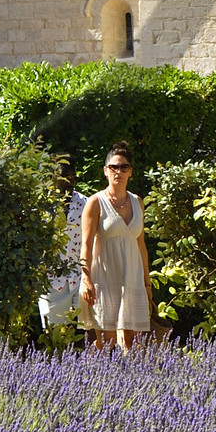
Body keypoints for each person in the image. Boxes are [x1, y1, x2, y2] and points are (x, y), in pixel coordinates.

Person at [78, 141, 154, 349]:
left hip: (132, 279)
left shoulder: (137, 202)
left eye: (123, 167)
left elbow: (141, 244)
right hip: (104, 280)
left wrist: (147, 284)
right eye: (113, 167)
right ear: (105, 171)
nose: (118, 172)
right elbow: (85, 244)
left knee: (134, 343)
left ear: (130, 172)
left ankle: (133, 380)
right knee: (105, 343)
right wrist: (86, 278)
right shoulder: (95, 203)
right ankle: (93, 379)